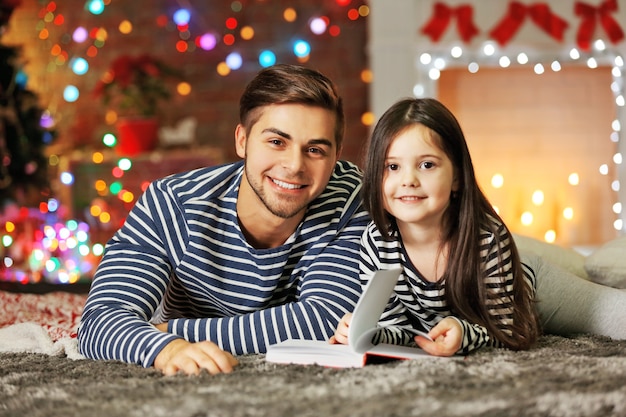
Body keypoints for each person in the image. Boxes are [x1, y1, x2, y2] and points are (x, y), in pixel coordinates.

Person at [78, 64, 370, 375]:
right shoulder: (172, 203)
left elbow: (325, 318)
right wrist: (167, 350)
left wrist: (171, 334)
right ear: (242, 140)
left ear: (336, 154)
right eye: (276, 142)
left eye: (314, 150)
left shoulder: (352, 200)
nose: (294, 165)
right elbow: (99, 321)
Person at [330, 97, 626, 356]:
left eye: (427, 165)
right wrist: (366, 332)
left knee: (615, 312)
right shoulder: (376, 242)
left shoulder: (487, 238)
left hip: (528, 291)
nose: (408, 180)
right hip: (490, 277)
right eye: (392, 167)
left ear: (457, 178)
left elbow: (509, 328)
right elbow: (402, 331)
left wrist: (464, 332)